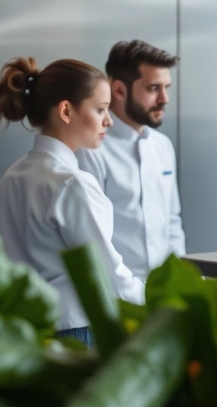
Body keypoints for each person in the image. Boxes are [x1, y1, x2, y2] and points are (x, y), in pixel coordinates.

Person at [0, 57, 145, 347]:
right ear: (66, 110)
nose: (109, 120)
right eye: (100, 110)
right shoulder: (72, 183)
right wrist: (157, 300)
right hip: (76, 331)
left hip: (26, 331)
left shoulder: (10, 178)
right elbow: (106, 272)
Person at [77, 40, 185, 282]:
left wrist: (180, 283)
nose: (164, 98)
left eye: (167, 87)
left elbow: (172, 222)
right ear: (118, 90)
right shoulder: (92, 149)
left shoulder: (162, 146)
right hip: (118, 295)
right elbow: (92, 238)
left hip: (163, 295)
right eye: (153, 88)